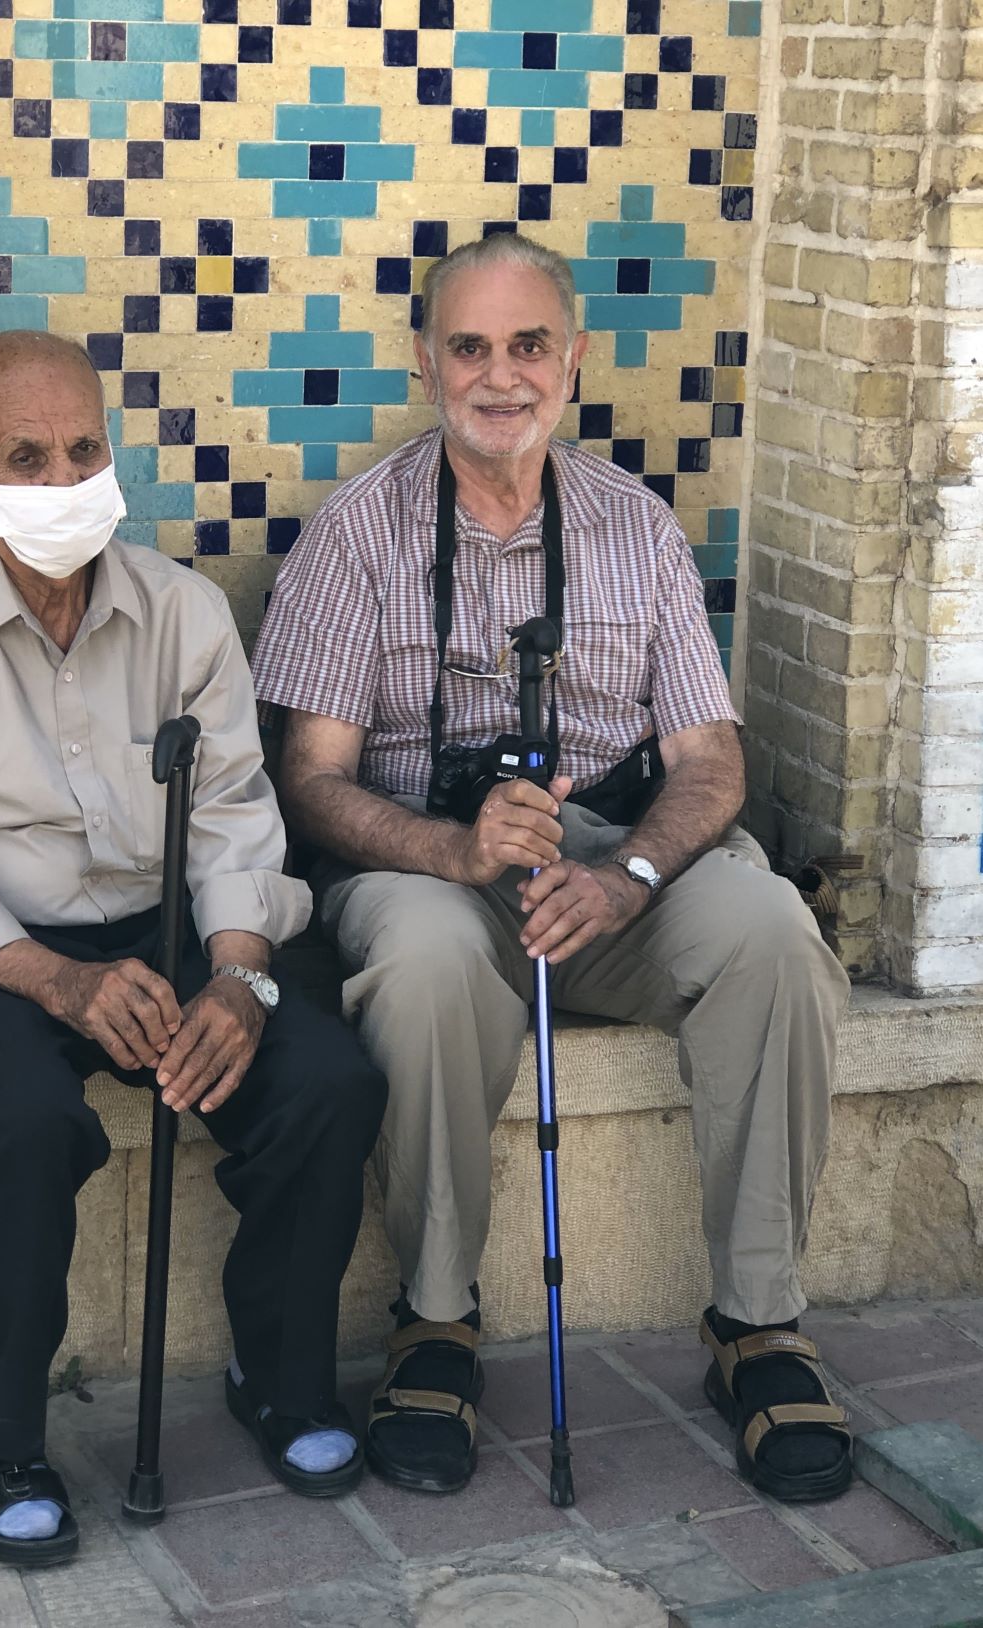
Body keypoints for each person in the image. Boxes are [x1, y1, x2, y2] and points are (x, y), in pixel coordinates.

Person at [251, 234, 853, 1505]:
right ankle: (435, 1320)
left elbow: (712, 759)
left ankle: (759, 1322)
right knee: (416, 959)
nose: (501, 376)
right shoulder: (358, 533)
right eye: (470, 346)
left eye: (529, 345)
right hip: (432, 867)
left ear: (574, 360)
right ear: (426, 363)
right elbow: (307, 783)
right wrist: (454, 846)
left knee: (773, 930)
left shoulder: (635, 525)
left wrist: (630, 871)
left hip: (615, 871)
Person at [0, 330, 386, 1567]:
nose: (63, 475)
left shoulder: (183, 611)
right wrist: (64, 983)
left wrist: (241, 976)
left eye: (83, 447)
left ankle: (280, 1373)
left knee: (325, 1080)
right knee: (24, 1118)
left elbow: (243, 813)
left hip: (178, 924)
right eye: (26, 456)